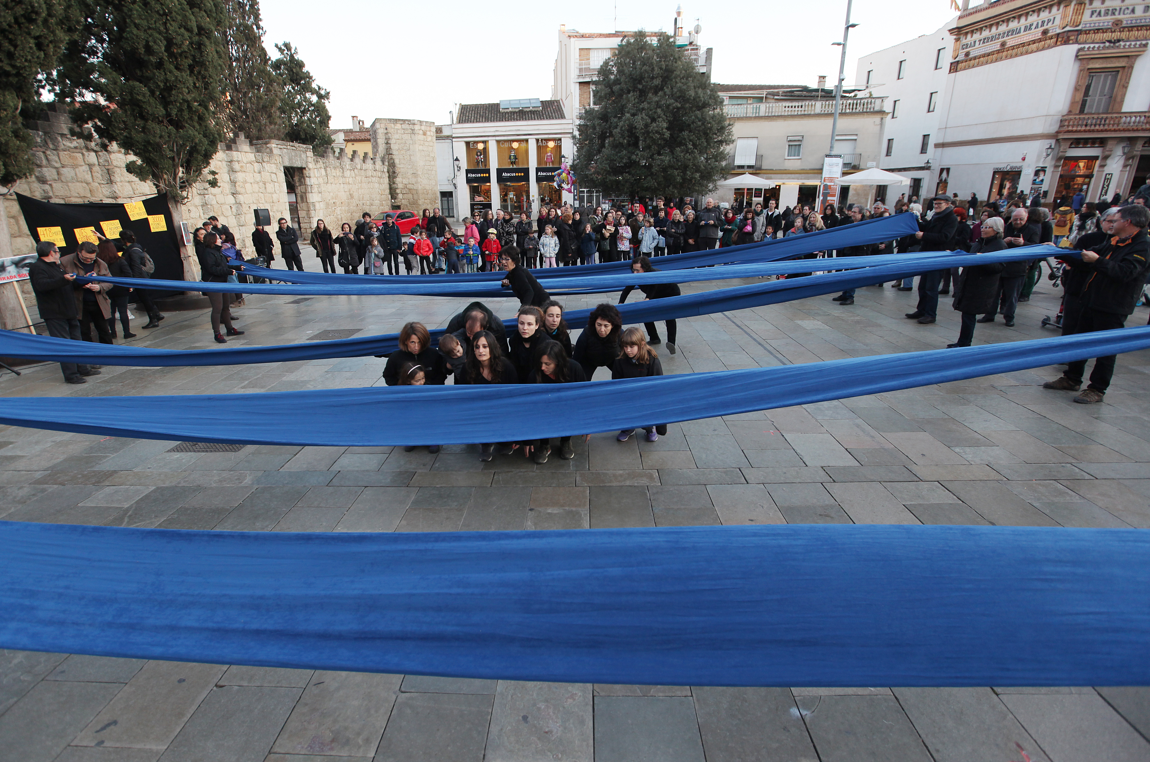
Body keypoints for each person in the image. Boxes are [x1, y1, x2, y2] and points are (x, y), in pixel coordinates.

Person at [1042, 204, 1150, 404]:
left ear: (1128, 222)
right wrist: (1058, 251)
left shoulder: (1143, 246)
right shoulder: (1115, 241)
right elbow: (1084, 257)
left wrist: (1097, 260)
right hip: (1091, 300)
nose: (1110, 224)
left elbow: (1124, 273)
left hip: (1113, 306)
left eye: (1115, 220)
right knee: (1080, 341)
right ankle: (1072, 377)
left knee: (1105, 348)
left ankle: (1097, 389)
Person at [29, 241, 101, 384]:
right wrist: (63, 279)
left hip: (69, 310)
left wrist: (84, 279)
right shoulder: (37, 268)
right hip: (55, 313)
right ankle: (71, 374)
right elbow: (42, 285)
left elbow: (68, 284)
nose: (58, 254)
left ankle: (83, 368)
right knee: (64, 345)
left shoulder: (56, 267)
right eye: (57, 251)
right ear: (51, 253)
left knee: (76, 342)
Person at [456, 330, 519, 461]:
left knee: (506, 445)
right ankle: (485, 443)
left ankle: (503, 437)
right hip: (479, 410)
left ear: (492, 347)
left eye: (485, 346)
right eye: (477, 347)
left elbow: (515, 395)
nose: (481, 351)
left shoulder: (506, 366)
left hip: (502, 409)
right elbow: (461, 394)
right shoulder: (467, 368)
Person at [524, 340, 588, 463]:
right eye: (541, 363)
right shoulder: (535, 375)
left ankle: (565, 440)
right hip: (544, 409)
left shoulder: (574, 368)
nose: (543, 368)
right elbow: (529, 406)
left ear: (558, 362)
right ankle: (544, 444)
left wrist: (587, 423)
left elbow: (584, 396)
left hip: (567, 407)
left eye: (547, 364)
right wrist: (527, 438)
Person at [948, 217, 1006, 348]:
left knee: (969, 315)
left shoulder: (999, 245)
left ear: (996, 230)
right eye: (983, 227)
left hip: (981, 286)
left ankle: (964, 343)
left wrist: (982, 260)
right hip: (970, 283)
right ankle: (963, 341)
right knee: (966, 315)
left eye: (987, 227)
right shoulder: (979, 242)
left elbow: (999, 267)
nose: (983, 230)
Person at [905, 195, 959, 325]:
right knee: (923, 286)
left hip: (938, 256)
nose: (936, 206)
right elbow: (927, 227)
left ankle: (930, 314)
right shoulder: (936, 216)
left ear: (947, 204)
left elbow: (944, 237)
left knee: (931, 287)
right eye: (934, 203)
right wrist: (916, 220)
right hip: (927, 254)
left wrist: (924, 236)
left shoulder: (951, 219)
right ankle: (921, 310)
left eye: (939, 203)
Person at [979, 208, 1038, 327]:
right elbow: (995, 241)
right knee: (994, 293)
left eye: (1021, 219)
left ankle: (1009, 317)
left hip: (1018, 267)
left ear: (1026, 218)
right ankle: (989, 314)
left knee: (1012, 296)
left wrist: (1023, 243)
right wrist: (1003, 241)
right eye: (1015, 219)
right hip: (1001, 266)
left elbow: (1035, 247)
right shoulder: (1006, 228)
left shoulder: (1032, 230)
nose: (1018, 221)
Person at [618, 256, 680, 354]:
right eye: (633, 270)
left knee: (669, 316)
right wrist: (620, 304)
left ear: (645, 269)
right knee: (645, 312)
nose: (635, 273)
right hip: (657, 293)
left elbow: (653, 288)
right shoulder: (636, 276)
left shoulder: (653, 274)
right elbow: (627, 289)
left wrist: (647, 299)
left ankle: (671, 342)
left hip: (670, 292)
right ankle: (654, 337)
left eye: (638, 270)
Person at [612, 327, 664, 442]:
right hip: (627, 394)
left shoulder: (652, 360)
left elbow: (658, 382)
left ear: (641, 344)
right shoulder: (619, 361)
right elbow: (616, 382)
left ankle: (650, 428)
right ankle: (628, 427)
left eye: (631, 347)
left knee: (647, 408)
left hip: (646, 394)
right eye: (625, 347)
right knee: (625, 407)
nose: (628, 350)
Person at [60, 241, 114, 345]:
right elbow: (62, 282)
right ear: (79, 252)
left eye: (92, 258)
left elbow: (109, 281)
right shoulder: (65, 262)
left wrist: (99, 287)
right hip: (78, 302)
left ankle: (109, 353)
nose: (89, 261)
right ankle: (90, 355)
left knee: (104, 330)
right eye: (85, 258)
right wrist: (81, 282)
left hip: (98, 301)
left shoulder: (100, 263)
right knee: (83, 332)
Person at [195, 232, 244, 343]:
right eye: (217, 238)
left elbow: (224, 265)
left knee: (226, 307)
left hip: (222, 282)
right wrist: (228, 271)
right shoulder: (207, 253)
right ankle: (217, 333)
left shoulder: (218, 251)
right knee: (217, 308)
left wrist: (238, 267)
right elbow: (212, 269)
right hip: (213, 284)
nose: (220, 240)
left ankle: (230, 329)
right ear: (212, 240)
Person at [120, 230, 163, 328]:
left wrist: (134, 281)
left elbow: (136, 267)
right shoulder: (135, 247)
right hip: (141, 277)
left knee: (145, 298)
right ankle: (157, 314)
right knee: (146, 297)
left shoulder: (133, 251)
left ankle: (153, 319)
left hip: (139, 278)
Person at [383, 321, 448, 386]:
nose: (416, 347)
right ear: (405, 341)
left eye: (419, 342)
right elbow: (388, 376)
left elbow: (441, 374)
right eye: (412, 342)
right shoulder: (395, 357)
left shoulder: (434, 354)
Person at [96, 236, 135, 338]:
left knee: (110, 312)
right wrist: (129, 285)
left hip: (106, 289)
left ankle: (113, 333)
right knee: (123, 311)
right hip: (121, 288)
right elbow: (128, 273)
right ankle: (126, 332)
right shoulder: (120, 261)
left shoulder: (99, 263)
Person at [831, 208, 872, 305]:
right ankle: (844, 293)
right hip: (848, 252)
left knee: (853, 275)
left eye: (855, 212)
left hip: (859, 253)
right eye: (852, 211)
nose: (852, 214)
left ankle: (850, 296)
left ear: (861, 214)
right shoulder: (849, 222)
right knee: (846, 274)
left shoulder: (865, 225)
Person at [573, 303, 623, 379]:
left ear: (612, 325)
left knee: (624, 375)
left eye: (606, 326)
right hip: (589, 360)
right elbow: (577, 356)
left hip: (612, 359)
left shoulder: (619, 333)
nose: (602, 330)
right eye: (599, 325)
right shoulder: (587, 332)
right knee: (580, 379)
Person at [506, 305, 548, 383]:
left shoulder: (545, 343)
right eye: (521, 323)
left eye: (529, 324)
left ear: (537, 325)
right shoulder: (514, 339)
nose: (524, 328)